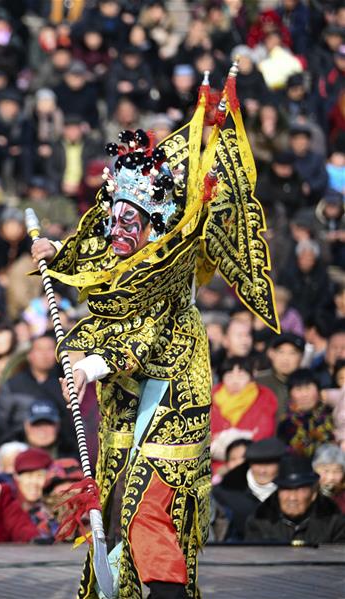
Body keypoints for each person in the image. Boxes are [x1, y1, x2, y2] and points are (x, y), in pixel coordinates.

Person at [32, 101, 278, 596]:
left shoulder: (168, 262)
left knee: (146, 505)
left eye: (131, 221)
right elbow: (96, 254)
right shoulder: (116, 233)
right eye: (114, 218)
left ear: (154, 221)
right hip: (124, 396)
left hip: (172, 395)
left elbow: (141, 335)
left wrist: (87, 366)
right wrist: (57, 252)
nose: (118, 229)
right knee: (116, 502)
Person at [244, 454, 345, 544]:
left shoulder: (334, 519)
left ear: (313, 493)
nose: (292, 498)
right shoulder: (260, 518)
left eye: (299, 490)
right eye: (286, 489)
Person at [213, 438, 289, 542]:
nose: (262, 471)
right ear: (249, 464)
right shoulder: (224, 492)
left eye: (268, 464)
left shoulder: (291, 491)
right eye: (257, 464)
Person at [277, 369, 336, 457]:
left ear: (318, 390)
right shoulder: (285, 423)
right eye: (298, 389)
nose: (304, 394)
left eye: (308, 388)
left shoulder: (331, 415)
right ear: (290, 394)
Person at [13, 447, 58, 542]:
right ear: (17, 478)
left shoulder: (54, 511)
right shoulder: (7, 508)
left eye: (39, 476)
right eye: (28, 476)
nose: (34, 482)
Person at [312, 443, 345, 512]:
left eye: (337, 471)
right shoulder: (307, 495)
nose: (331, 477)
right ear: (314, 470)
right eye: (326, 471)